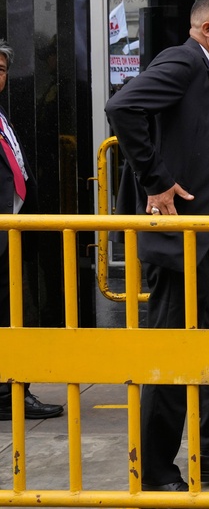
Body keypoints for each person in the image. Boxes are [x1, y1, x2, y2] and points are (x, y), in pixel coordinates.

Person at [105, 0, 209, 492]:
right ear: (207, 30)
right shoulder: (182, 62)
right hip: (184, 238)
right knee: (173, 352)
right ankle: (155, 469)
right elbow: (122, 107)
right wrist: (156, 181)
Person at [0, 40, 64, 422]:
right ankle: (8, 395)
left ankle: (12, 390)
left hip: (13, 231)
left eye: (1, 69)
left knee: (12, 315)